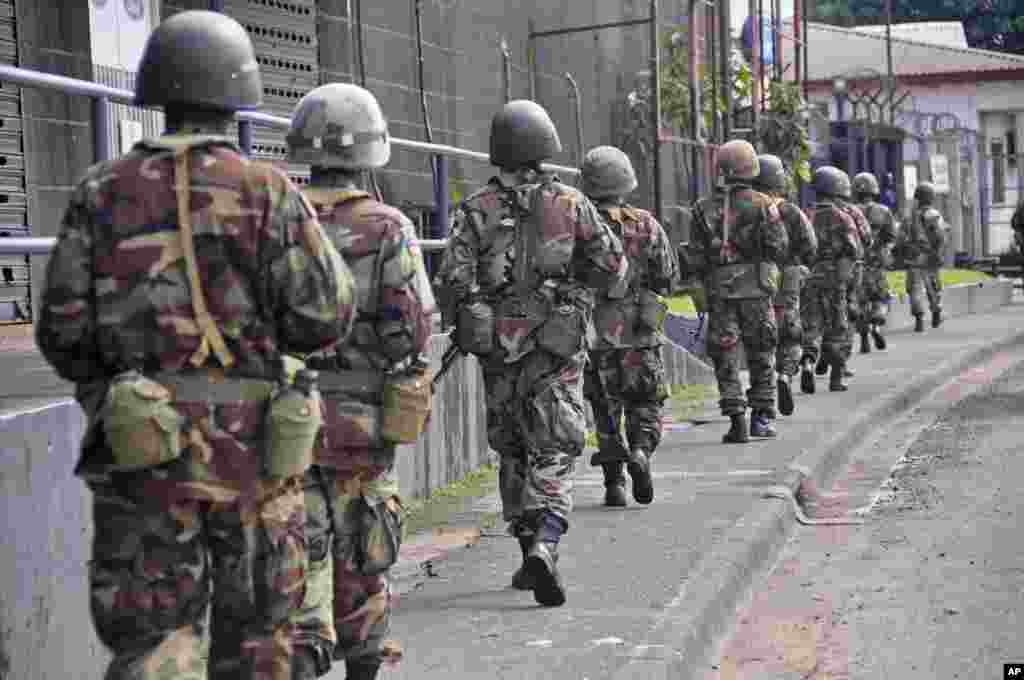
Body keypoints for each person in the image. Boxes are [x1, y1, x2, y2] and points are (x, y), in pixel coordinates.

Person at [34, 10, 357, 679]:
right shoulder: (268, 190)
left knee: (154, 641)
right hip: (257, 459)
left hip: (142, 453)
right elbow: (325, 316)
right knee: (263, 639)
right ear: (240, 90)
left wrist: (118, 388)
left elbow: (62, 332)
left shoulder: (101, 189)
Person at [436, 100, 627, 606]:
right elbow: (610, 265)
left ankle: (526, 551)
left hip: (498, 346)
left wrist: (471, 313)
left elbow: (451, 280)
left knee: (512, 446)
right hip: (556, 344)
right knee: (556, 446)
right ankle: (546, 540)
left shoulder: (475, 208)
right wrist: (580, 296)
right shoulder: (571, 202)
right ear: (545, 146)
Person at [284, 83, 436, 679]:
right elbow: (412, 332)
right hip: (362, 425)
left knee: (295, 557)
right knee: (365, 557)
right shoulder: (387, 227)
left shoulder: (275, 216)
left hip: (282, 421)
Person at [580, 145, 677, 507]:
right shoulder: (646, 224)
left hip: (593, 333)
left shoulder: (580, 224)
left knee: (605, 410)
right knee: (646, 402)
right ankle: (641, 451)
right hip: (639, 331)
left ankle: (614, 483)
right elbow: (666, 277)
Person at [687, 140, 788, 442]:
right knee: (762, 351)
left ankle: (736, 419)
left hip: (720, 292)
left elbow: (695, 255)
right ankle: (761, 418)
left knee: (725, 353)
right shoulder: (765, 205)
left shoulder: (702, 209)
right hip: (757, 290)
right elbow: (779, 247)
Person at [751, 154, 816, 417]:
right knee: (790, 330)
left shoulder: (749, 206)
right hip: (788, 276)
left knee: (763, 335)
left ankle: (764, 387)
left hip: (755, 279)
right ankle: (786, 374)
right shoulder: (790, 210)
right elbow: (810, 245)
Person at [800, 166, 861, 393]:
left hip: (809, 278)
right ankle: (837, 378)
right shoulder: (843, 218)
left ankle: (807, 361)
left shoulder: (805, 215)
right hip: (835, 278)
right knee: (838, 326)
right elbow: (854, 251)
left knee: (811, 324)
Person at [852, 172, 898, 353]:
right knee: (881, 299)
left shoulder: (849, 211)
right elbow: (891, 237)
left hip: (857, 265)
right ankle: (876, 326)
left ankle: (863, 337)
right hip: (877, 266)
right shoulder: (884, 211)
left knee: (861, 302)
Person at [895, 181, 946, 332]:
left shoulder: (908, 217)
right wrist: (938, 252)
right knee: (933, 287)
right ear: (931, 197)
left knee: (914, 289)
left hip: (913, 258)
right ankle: (936, 309)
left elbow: (900, 238)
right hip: (930, 258)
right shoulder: (934, 215)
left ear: (917, 197)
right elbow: (941, 236)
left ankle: (919, 318)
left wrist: (900, 252)